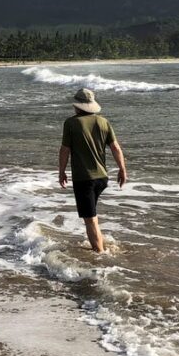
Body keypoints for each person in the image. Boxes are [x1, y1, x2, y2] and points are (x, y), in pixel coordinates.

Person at [58, 88, 127, 253]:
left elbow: (65, 150)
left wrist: (61, 171)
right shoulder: (103, 122)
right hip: (102, 178)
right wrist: (122, 169)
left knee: (90, 220)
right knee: (92, 217)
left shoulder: (71, 123)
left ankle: (100, 255)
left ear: (77, 106)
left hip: (84, 179)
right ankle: (101, 246)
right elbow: (115, 148)